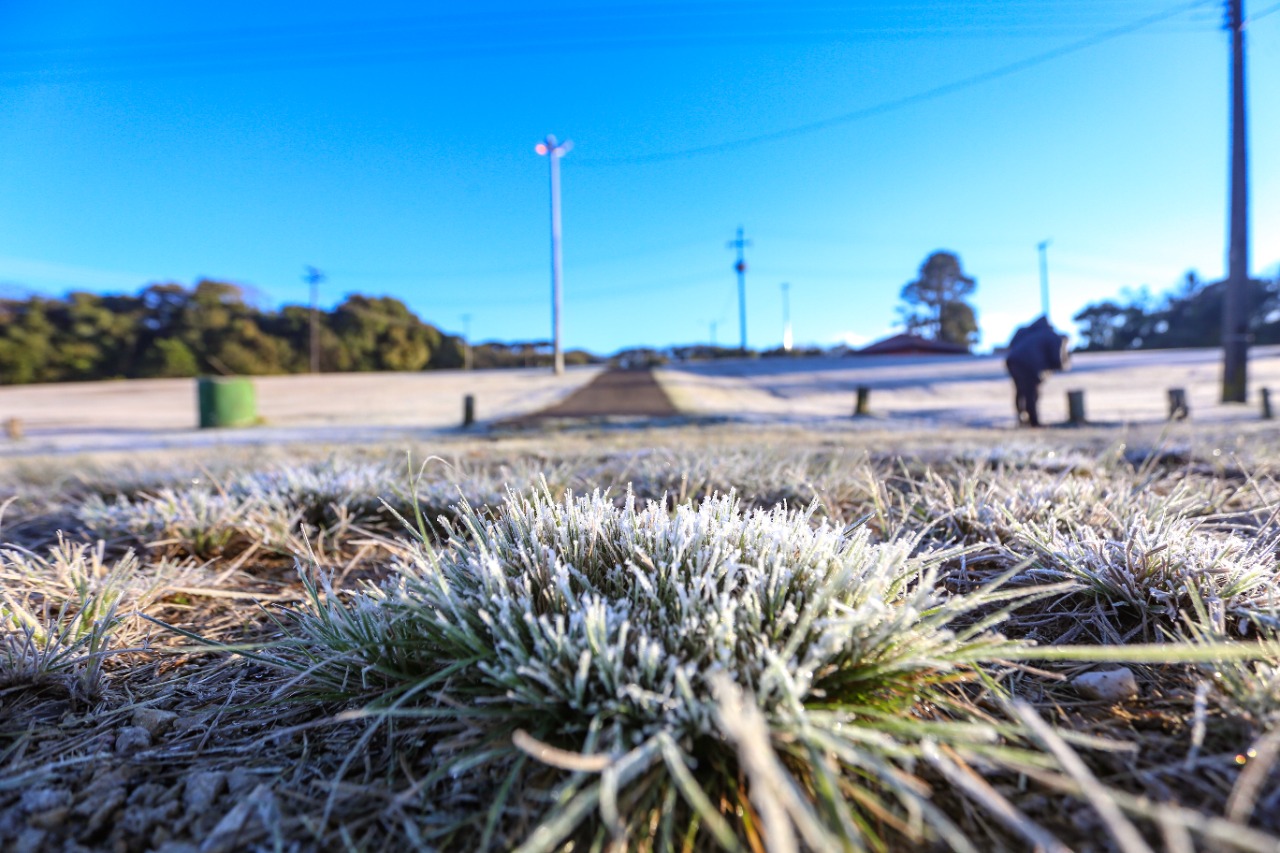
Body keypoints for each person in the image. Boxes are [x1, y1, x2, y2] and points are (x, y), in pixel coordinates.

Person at [1004, 316, 1069, 427]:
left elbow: (1011, 345)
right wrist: (1064, 364)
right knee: (1031, 392)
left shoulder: (1024, 331)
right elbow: (1056, 360)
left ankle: (1022, 419)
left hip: (1012, 360)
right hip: (1030, 364)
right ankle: (1034, 423)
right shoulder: (1054, 337)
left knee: (1021, 390)